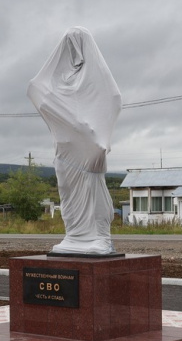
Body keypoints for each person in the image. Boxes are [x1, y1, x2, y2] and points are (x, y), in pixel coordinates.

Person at [27, 27, 121, 255]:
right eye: (69, 46)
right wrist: (69, 121)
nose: (74, 53)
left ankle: (99, 237)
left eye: (78, 45)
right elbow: (35, 90)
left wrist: (98, 138)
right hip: (66, 149)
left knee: (93, 189)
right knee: (68, 192)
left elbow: (114, 99)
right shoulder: (56, 84)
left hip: (89, 148)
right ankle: (75, 236)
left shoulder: (96, 79)